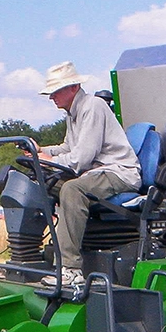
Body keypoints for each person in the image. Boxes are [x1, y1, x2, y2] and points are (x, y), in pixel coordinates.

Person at [31, 61, 141, 286]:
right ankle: (32, 256)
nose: (52, 97)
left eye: (55, 91)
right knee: (40, 184)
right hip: (94, 174)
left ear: (73, 87)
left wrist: (49, 161)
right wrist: (41, 151)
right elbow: (68, 148)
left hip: (117, 172)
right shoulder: (73, 113)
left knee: (72, 189)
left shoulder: (93, 106)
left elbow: (81, 158)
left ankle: (71, 269)